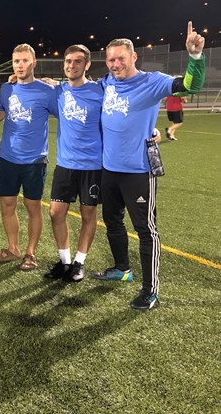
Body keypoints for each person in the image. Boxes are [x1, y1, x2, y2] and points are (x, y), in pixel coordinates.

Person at [92, 21, 205, 310]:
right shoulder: (107, 83)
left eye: (121, 58)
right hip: (109, 169)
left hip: (138, 170)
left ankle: (150, 289)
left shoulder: (152, 81)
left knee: (145, 229)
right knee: (112, 221)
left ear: (133, 57)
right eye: (111, 59)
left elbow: (189, 86)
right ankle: (122, 268)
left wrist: (195, 57)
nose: (115, 64)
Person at [0, 43, 58, 271]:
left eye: (25, 60)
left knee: (33, 207)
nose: (20, 65)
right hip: (8, 158)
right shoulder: (6, 89)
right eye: (16, 61)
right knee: (7, 205)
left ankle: (30, 253)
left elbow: (66, 113)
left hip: (34, 160)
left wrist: (59, 85)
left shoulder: (47, 91)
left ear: (34, 63)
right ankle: (13, 249)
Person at [44, 44, 104, 283]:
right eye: (68, 61)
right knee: (55, 213)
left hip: (92, 165)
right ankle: (65, 261)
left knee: (88, 214)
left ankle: (79, 262)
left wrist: (150, 129)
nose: (72, 65)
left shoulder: (100, 90)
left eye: (78, 61)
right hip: (65, 164)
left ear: (87, 65)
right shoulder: (59, 91)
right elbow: (34, 85)